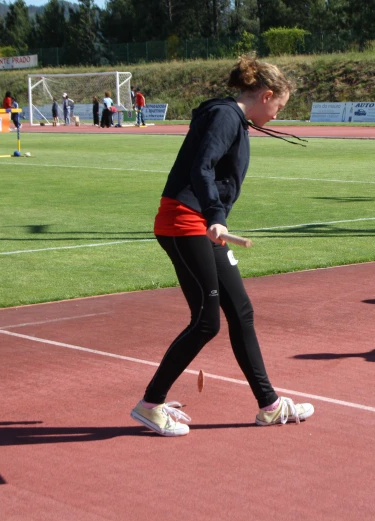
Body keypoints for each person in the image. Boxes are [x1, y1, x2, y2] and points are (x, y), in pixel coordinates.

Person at [131, 55, 313, 436]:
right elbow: (202, 166)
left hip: (202, 222)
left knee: (240, 311)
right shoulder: (226, 116)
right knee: (206, 322)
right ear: (266, 95)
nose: (278, 116)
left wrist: (214, 216)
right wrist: (216, 214)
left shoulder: (233, 118)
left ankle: (270, 405)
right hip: (184, 221)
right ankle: (150, 404)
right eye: (280, 106)